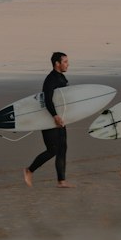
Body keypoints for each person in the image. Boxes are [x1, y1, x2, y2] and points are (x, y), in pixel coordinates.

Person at [24, 52, 72, 188]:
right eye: (65, 62)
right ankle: (29, 170)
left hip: (59, 118)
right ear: (57, 63)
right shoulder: (51, 79)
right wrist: (55, 116)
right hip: (49, 119)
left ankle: (61, 181)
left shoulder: (61, 77)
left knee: (62, 149)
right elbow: (47, 99)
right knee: (53, 150)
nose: (68, 64)